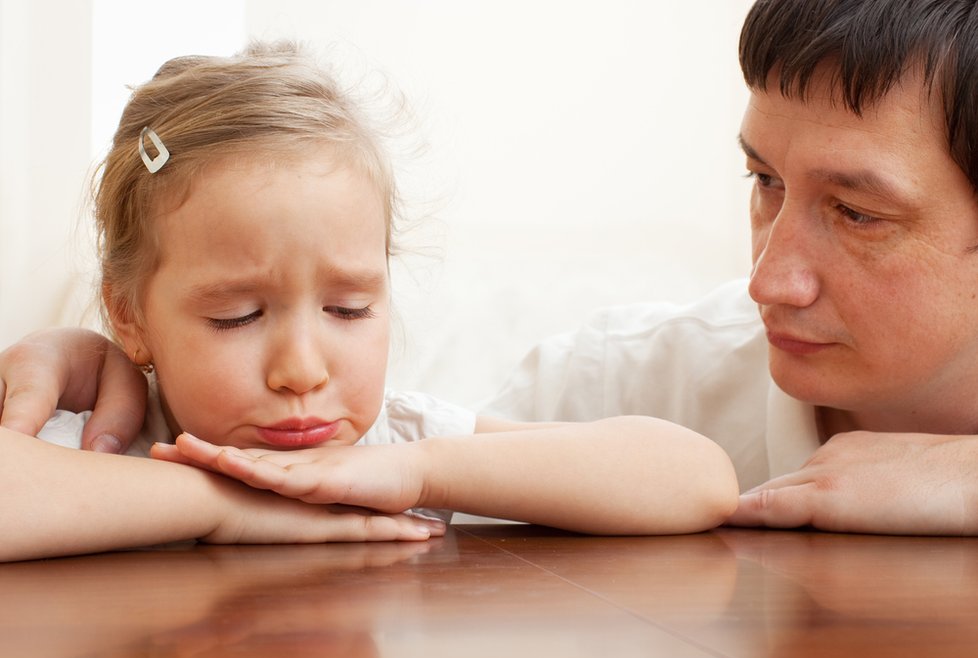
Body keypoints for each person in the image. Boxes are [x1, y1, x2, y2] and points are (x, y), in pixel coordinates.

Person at [0, 42, 738, 562]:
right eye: (238, 316)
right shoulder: (104, 442)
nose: (301, 370)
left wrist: (425, 472)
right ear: (129, 316)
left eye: (349, 309)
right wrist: (223, 506)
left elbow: (697, 479)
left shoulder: (393, 449)